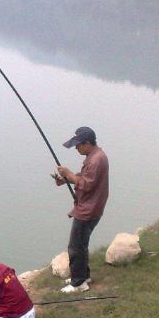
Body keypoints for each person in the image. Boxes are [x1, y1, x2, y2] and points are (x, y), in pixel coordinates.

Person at [54, 126, 109, 294]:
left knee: (75, 246)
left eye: (78, 145)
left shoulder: (96, 159)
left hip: (88, 210)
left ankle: (79, 283)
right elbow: (86, 179)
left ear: (87, 143)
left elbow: (86, 184)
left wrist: (69, 173)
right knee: (81, 244)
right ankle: (83, 275)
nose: (76, 148)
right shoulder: (95, 157)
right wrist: (66, 180)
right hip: (90, 207)